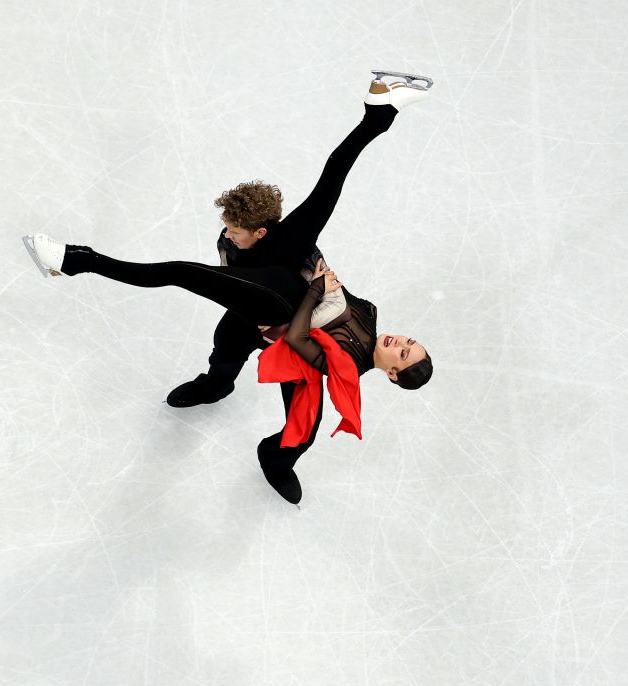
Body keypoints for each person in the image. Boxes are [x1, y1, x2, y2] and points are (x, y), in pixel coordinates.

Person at [23, 71, 435, 503]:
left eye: (403, 353)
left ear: (390, 373)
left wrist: (315, 288)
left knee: (300, 435)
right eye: (411, 341)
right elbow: (328, 282)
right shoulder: (370, 315)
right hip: (276, 276)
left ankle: (75, 261)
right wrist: (310, 264)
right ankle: (380, 111)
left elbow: (296, 335)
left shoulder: (346, 366)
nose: (401, 341)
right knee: (323, 195)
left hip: (277, 313)